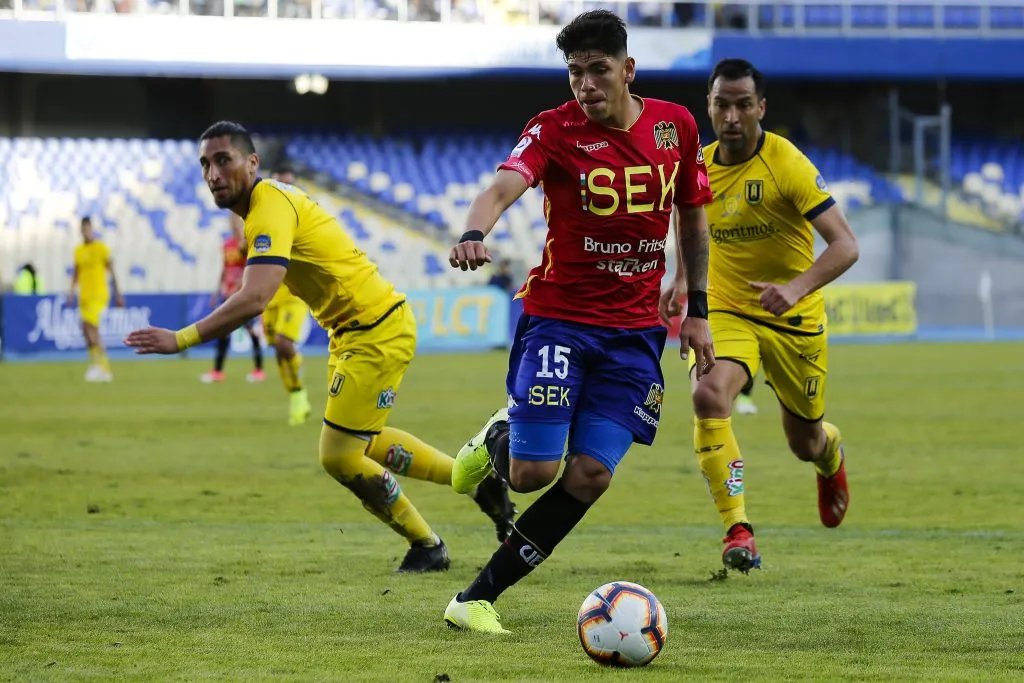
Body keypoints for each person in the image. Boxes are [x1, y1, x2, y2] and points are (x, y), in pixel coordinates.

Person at [125, 121, 515, 571]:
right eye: (205, 164)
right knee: (362, 441)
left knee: (338, 454)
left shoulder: (268, 207)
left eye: (223, 160)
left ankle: (428, 546)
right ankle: (474, 479)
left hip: (373, 328)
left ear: (252, 162)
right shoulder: (265, 207)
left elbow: (254, 297)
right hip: (356, 330)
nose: (212, 173)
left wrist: (181, 338)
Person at [442, 10, 714, 634]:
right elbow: (502, 187)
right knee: (531, 474)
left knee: (590, 475)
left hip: (636, 334)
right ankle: (498, 436)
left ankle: (476, 599)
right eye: (575, 73)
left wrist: (697, 310)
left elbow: (693, 217)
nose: (586, 85)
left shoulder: (676, 127)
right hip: (560, 320)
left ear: (628, 70)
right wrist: (474, 231)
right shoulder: (552, 130)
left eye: (598, 70)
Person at [691, 59, 860, 573]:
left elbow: (846, 245)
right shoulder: (696, 166)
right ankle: (737, 528)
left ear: (761, 108)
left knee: (802, 443)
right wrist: (682, 283)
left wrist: (796, 287)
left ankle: (829, 453)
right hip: (727, 309)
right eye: (723, 104)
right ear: (710, 107)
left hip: (793, 317)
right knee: (707, 393)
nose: (733, 115)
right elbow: (689, 230)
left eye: (744, 104)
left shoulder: (786, 163)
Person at [262, 165, 313, 426]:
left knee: (284, 343)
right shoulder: (263, 219)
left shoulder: (305, 218)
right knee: (278, 351)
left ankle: (299, 394)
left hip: (294, 293)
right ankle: (296, 393)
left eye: (290, 184)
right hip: (269, 294)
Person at [199, 212, 265, 384]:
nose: (233, 224)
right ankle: (218, 371)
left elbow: (249, 267)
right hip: (227, 294)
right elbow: (225, 268)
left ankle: (259, 370)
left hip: (243, 294)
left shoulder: (246, 244)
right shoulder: (227, 244)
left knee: (251, 332)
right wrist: (216, 292)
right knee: (223, 332)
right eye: (231, 221)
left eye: (236, 220)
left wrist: (239, 284)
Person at [68, 217, 124, 382]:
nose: (85, 232)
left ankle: (104, 368)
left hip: (99, 295)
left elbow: (112, 271)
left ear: (92, 229)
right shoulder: (78, 251)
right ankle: (96, 364)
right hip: (84, 296)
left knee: (90, 326)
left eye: (88, 229)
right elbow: (76, 273)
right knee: (86, 330)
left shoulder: (101, 248)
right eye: (83, 229)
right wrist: (71, 292)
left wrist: (118, 294)